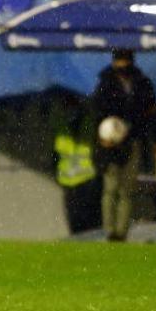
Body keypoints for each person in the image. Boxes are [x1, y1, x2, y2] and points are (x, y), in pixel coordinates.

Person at [91, 50, 156, 242]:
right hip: (110, 144)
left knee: (127, 189)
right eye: (119, 61)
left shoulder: (141, 84)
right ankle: (109, 231)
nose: (121, 65)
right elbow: (97, 113)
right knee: (110, 188)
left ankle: (120, 232)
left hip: (133, 141)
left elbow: (152, 114)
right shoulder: (105, 83)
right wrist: (101, 138)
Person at [52, 94, 100, 234]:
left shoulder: (89, 122)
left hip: (87, 179)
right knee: (75, 222)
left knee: (89, 221)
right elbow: (55, 154)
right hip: (68, 181)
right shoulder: (61, 125)